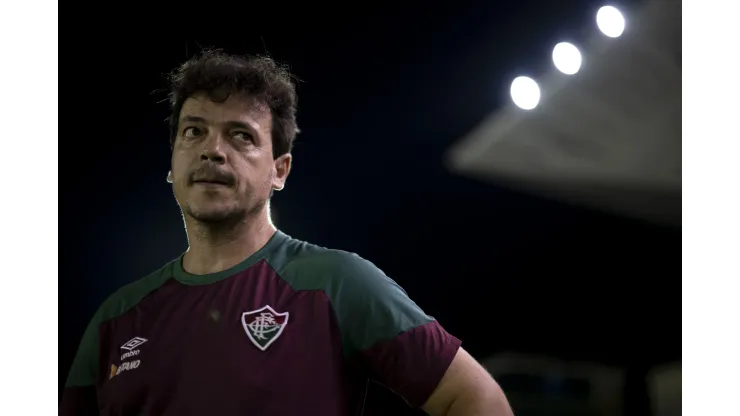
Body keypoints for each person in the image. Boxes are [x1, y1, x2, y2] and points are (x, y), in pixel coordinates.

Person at [60, 50, 514, 416]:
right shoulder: (116, 319)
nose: (212, 150)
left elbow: (478, 401)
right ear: (173, 162)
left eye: (240, 136)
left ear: (280, 170)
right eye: (193, 132)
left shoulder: (336, 283)